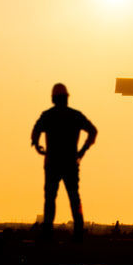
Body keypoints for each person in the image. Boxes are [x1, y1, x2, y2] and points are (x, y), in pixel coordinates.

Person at [31, 82, 97, 241]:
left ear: (53, 99)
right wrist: (82, 151)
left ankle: (47, 233)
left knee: (50, 200)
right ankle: (78, 233)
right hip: (69, 163)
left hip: (53, 163)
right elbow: (92, 131)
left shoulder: (48, 116)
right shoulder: (75, 115)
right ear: (66, 98)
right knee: (74, 198)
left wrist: (38, 146)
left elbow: (36, 132)